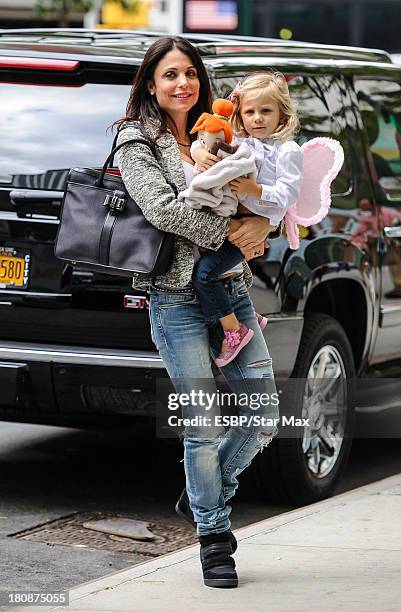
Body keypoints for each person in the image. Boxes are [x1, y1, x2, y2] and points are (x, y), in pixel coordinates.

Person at [115, 36, 279, 589]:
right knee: (202, 430)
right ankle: (213, 538)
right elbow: (161, 209)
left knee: (263, 416)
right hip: (176, 300)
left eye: (189, 72)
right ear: (151, 85)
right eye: (169, 75)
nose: (181, 83)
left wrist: (266, 225)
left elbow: (264, 194)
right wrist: (234, 235)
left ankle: (204, 494)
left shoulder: (229, 130)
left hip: (232, 293)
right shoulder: (136, 139)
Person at [190, 72, 303, 367]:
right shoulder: (241, 141)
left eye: (266, 111)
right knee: (210, 270)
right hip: (228, 218)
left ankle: (235, 331)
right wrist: (200, 152)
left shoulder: (287, 150)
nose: (257, 118)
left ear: (282, 113)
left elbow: (289, 194)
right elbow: (209, 141)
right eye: (249, 111)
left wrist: (256, 190)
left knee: (205, 274)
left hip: (251, 225)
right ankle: (248, 316)